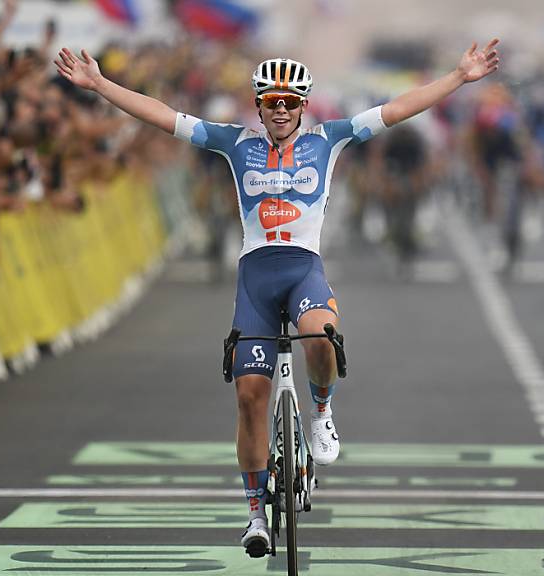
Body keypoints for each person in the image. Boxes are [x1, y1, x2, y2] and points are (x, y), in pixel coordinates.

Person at [54, 39, 500, 556]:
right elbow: (164, 116)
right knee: (248, 398)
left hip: (303, 269)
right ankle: (254, 515)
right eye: (272, 101)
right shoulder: (234, 142)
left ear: (303, 105)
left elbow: (398, 109)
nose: (282, 109)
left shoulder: (328, 139)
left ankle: (321, 411)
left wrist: (459, 76)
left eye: (290, 101)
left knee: (322, 337)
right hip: (256, 279)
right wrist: (101, 85)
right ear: (259, 105)